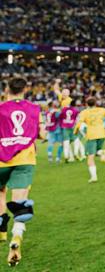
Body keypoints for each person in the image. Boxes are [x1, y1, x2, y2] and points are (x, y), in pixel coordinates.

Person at [0, 77, 46, 267]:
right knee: (20, 203)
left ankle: (1, 229)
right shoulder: (35, 109)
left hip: (1, 159)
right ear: (25, 89)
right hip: (25, 159)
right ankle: (16, 237)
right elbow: (42, 134)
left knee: (1, 192)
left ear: (7, 89)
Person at [74, 97, 105, 183]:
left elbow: (79, 123)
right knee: (96, 152)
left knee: (90, 157)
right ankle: (101, 152)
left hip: (91, 135)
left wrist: (75, 131)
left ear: (86, 104)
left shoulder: (84, 112)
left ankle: (94, 177)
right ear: (95, 103)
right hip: (102, 134)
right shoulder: (101, 110)